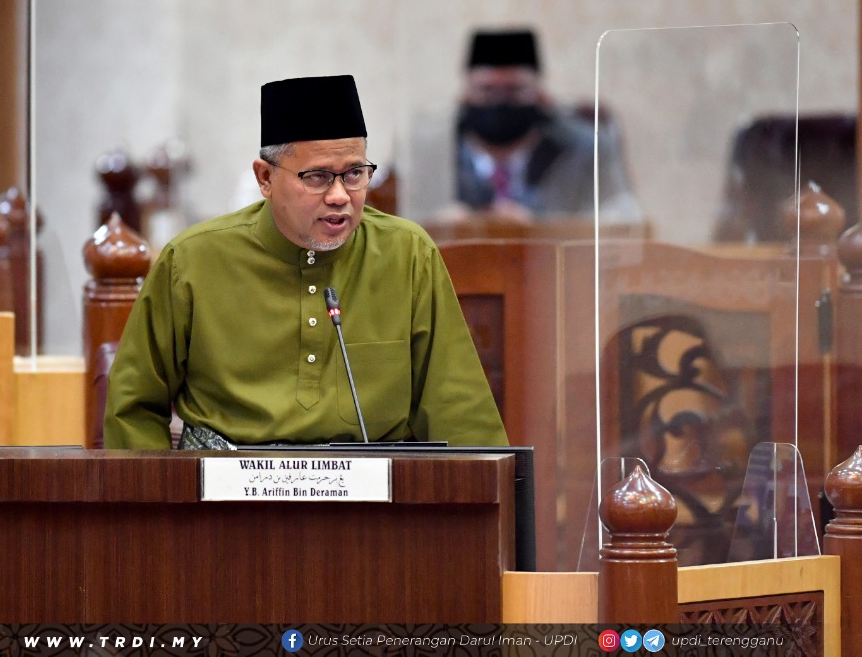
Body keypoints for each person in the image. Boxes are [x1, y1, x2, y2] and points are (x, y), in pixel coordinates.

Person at [104, 74, 507, 449]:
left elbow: (460, 414)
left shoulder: (408, 254)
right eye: (316, 177)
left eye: (354, 173)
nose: (339, 195)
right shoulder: (191, 261)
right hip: (226, 509)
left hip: (369, 512)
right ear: (265, 178)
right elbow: (134, 410)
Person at [414, 28, 641, 225]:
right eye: (487, 90)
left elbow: (625, 221)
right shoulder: (429, 150)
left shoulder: (584, 150)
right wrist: (437, 226)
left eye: (514, 90)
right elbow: (392, 216)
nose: (499, 101)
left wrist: (540, 227)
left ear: (539, 94)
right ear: (465, 94)